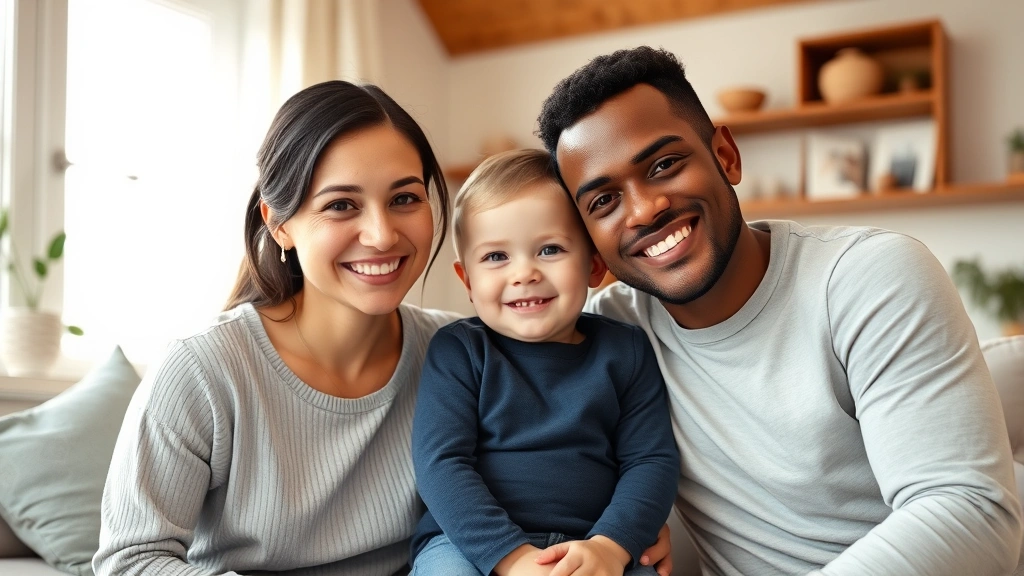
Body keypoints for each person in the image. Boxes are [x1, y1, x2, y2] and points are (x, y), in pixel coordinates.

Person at [93, 80, 673, 576]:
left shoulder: (468, 349)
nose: (381, 235)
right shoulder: (202, 371)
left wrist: (622, 534)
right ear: (280, 224)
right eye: (342, 205)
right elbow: (130, 560)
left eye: (404, 198)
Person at [535, 46, 1023, 576]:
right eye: (603, 201)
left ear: (726, 156)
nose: (645, 209)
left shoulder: (867, 276)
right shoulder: (609, 334)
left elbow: (973, 516)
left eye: (664, 165)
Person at [409, 149, 680, 576]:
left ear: (594, 266)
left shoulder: (625, 350)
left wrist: (612, 546)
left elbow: (650, 462)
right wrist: (511, 558)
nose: (524, 273)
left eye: (549, 249)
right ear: (468, 281)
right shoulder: (458, 351)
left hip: (591, 543)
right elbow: (440, 465)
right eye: (496, 257)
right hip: (467, 547)